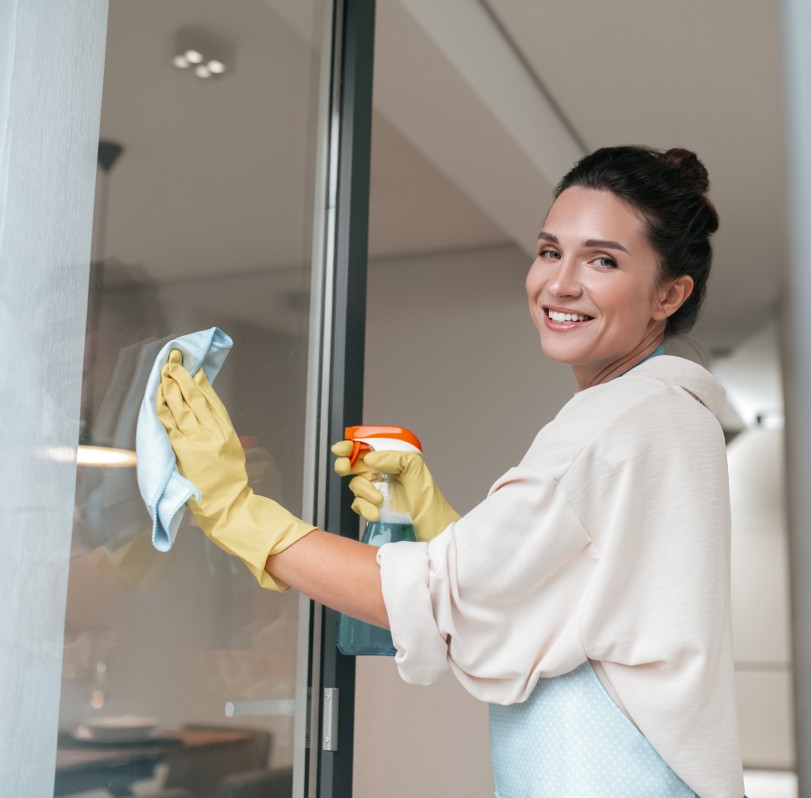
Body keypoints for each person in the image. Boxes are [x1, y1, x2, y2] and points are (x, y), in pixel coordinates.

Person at [156, 145, 744, 797]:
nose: (560, 283)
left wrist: (234, 509)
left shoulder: (615, 420)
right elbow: (548, 599)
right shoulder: (673, 415)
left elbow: (437, 599)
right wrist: (440, 526)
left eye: (602, 260)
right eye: (551, 251)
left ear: (669, 293)